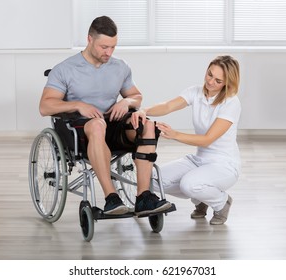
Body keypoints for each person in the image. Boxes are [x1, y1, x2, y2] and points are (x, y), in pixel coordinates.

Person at [39, 16, 171, 216]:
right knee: (97, 125)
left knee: (148, 125)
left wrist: (125, 102)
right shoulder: (65, 69)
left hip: (114, 125)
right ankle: (111, 198)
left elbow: (136, 96)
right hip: (82, 130)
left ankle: (143, 197)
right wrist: (78, 105)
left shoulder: (120, 67)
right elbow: (45, 106)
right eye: (104, 47)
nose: (108, 53)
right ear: (89, 39)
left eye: (113, 47)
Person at [131, 55, 241, 225]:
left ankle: (222, 202)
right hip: (199, 159)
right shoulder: (195, 92)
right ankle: (202, 199)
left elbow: (207, 140)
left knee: (189, 184)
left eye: (218, 80)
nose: (210, 82)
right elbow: (168, 106)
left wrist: (174, 134)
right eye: (209, 74)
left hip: (223, 164)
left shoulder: (231, 103)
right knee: (150, 180)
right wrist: (144, 111)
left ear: (227, 83)